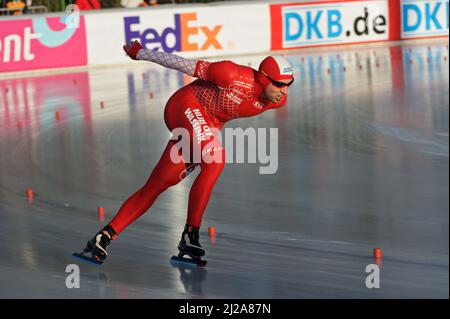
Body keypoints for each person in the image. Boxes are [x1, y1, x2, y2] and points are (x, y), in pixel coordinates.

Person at [77, 40, 294, 265]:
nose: (284, 91)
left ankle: (104, 237)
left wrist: (208, 128)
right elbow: (182, 64)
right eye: (279, 84)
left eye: (289, 84)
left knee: (158, 184)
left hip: (205, 126)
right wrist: (140, 53)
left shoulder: (276, 101)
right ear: (263, 78)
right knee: (215, 161)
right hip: (185, 106)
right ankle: (191, 234)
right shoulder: (230, 74)